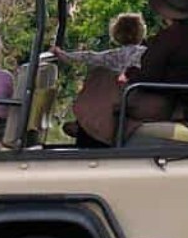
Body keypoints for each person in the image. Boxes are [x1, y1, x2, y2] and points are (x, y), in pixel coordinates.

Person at [57, 12, 147, 148]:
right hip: (135, 92)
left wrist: (63, 55)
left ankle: (85, 123)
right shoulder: (145, 52)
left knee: (99, 76)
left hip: (123, 94)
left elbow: (90, 57)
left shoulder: (114, 55)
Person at [123, 0, 188, 125]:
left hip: (162, 102)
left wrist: (130, 72)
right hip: (175, 98)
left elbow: (149, 77)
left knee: (102, 79)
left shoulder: (168, 38)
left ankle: (98, 132)